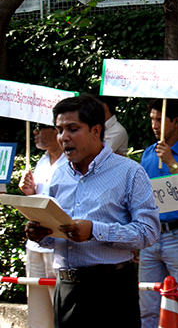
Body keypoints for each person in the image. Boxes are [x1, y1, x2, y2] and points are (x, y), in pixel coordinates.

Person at [25, 94, 160, 328]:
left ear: (96, 131)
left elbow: (148, 233)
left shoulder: (129, 172)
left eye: (72, 129)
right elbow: (56, 235)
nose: (63, 138)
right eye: (59, 130)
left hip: (112, 288)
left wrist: (95, 231)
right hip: (67, 287)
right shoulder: (59, 175)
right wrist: (41, 233)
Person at [139, 99, 178, 328]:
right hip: (150, 236)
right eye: (152, 120)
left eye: (159, 119)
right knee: (147, 308)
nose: (154, 125)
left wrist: (171, 162)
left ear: (175, 121)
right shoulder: (147, 154)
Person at [19, 123, 66, 328]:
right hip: (35, 245)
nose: (35, 132)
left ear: (57, 130)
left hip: (58, 245)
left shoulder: (71, 162)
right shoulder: (41, 161)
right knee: (38, 312)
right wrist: (29, 193)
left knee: (61, 309)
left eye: (40, 127)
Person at [89, 89, 128, 155]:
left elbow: (94, 155)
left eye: (92, 107)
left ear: (104, 107)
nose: (89, 111)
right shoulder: (94, 126)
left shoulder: (117, 131)